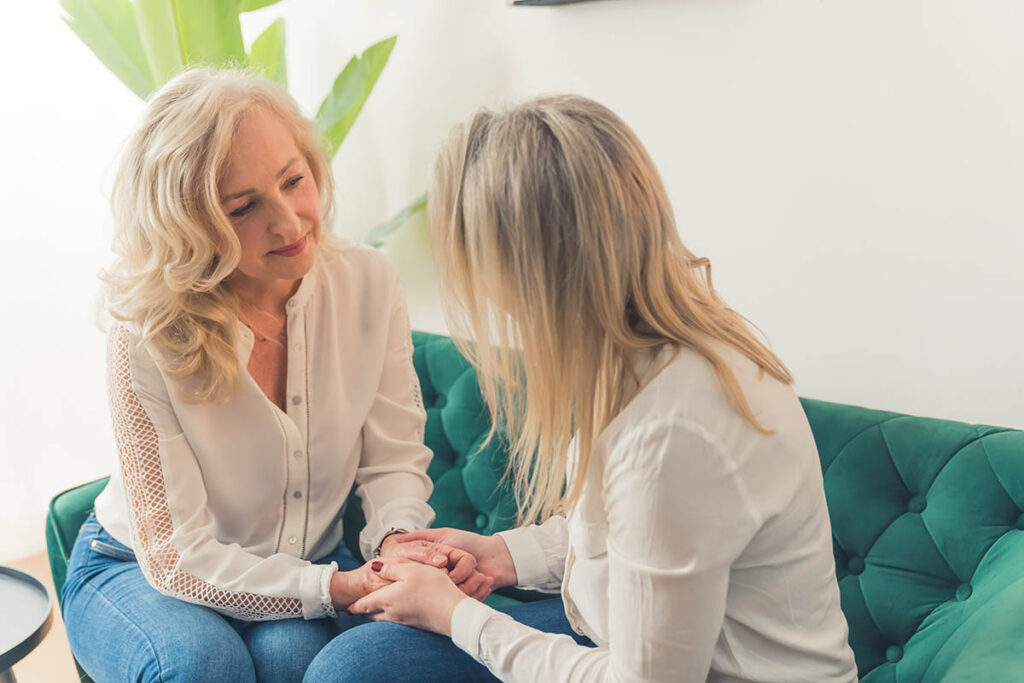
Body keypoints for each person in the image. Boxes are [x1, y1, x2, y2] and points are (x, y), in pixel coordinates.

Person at [304, 95, 859, 682]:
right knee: (361, 663)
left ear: (526, 266)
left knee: (353, 672)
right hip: (616, 636)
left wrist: (457, 615)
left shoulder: (673, 429)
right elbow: (634, 533)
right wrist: (500, 558)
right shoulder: (648, 358)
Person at [61, 68, 491, 683]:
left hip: (298, 564)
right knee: (203, 666)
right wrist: (338, 587)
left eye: (294, 180)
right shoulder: (148, 332)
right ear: (189, 224)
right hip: (139, 566)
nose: (290, 223)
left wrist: (399, 541)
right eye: (244, 208)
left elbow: (392, 458)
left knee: (295, 661)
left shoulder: (368, 282)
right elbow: (176, 559)